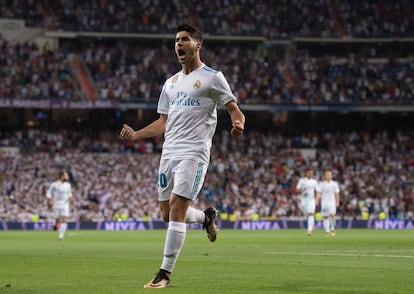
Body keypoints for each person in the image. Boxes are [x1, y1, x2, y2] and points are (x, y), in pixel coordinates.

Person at [119, 23, 245, 289]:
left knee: (177, 206)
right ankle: (206, 217)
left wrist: (238, 122)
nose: (179, 44)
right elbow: (163, 122)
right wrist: (136, 135)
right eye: (176, 40)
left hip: (194, 152)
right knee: (167, 215)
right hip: (169, 152)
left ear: (197, 45)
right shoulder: (171, 83)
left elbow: (234, 109)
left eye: (184, 39)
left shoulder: (212, 77)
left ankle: (164, 273)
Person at [46, 170, 73, 240]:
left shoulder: (68, 185)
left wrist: (70, 197)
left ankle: (61, 236)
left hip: (65, 203)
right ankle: (55, 225)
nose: (68, 177)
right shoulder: (54, 185)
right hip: (56, 203)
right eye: (66, 175)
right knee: (57, 219)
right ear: (62, 176)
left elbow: (69, 193)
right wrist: (50, 199)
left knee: (64, 219)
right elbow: (49, 192)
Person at [296, 167, 319, 236]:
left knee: (310, 213)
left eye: (312, 173)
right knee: (307, 214)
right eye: (310, 173)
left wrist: (317, 199)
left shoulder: (314, 182)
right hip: (303, 200)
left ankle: (309, 230)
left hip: (311, 200)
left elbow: (318, 191)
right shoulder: (301, 180)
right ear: (306, 173)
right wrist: (302, 190)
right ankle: (312, 224)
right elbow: (297, 189)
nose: (311, 174)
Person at [316, 169, 340, 236]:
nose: (328, 176)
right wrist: (317, 200)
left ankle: (332, 229)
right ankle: (327, 231)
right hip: (324, 202)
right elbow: (318, 192)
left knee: (332, 215)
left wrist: (337, 202)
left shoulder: (335, 184)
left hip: (332, 202)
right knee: (325, 216)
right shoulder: (321, 184)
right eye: (327, 175)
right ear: (325, 176)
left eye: (329, 174)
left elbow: (337, 193)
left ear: (331, 176)